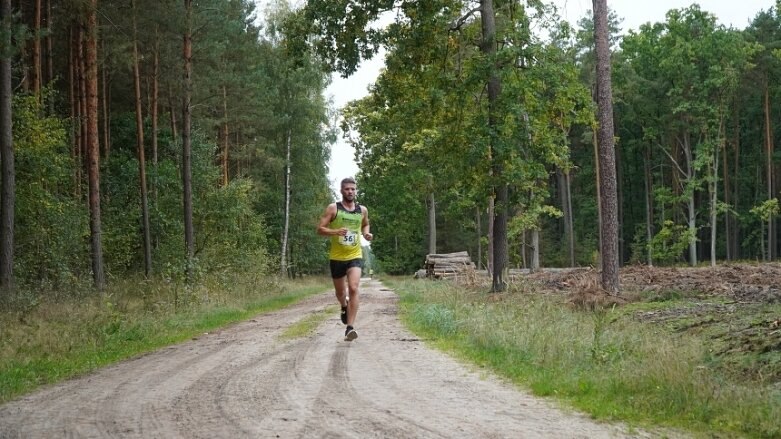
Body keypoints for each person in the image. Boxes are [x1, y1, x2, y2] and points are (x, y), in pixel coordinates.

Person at [317, 177, 372, 341]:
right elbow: (320, 229)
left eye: (353, 189)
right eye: (347, 189)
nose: (350, 192)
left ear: (356, 191)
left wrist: (366, 234)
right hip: (336, 257)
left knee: (354, 287)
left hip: (355, 255)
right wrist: (335, 232)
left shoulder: (362, 210)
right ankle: (343, 305)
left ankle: (350, 328)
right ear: (341, 191)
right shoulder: (333, 209)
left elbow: (365, 224)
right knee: (340, 293)